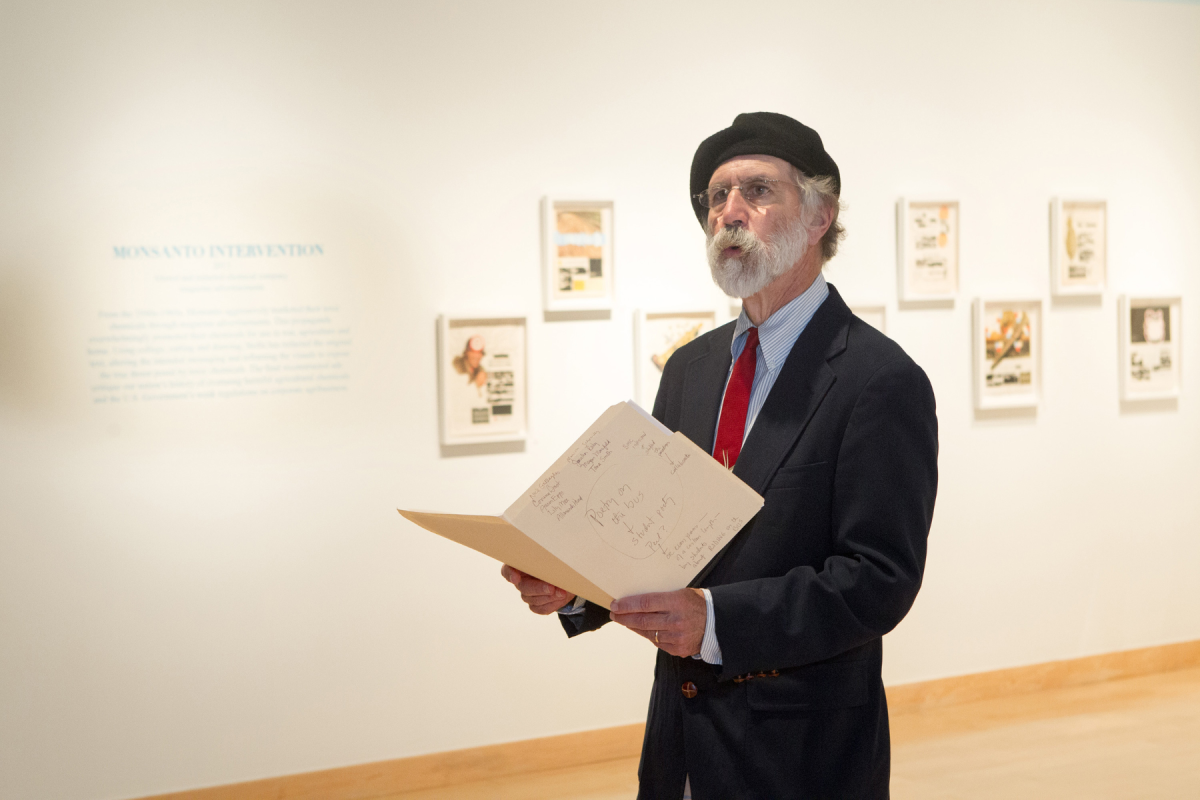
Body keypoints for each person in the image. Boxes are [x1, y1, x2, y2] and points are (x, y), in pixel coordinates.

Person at [502, 111, 938, 799]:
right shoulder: (691, 369)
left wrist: (718, 620)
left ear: (819, 216)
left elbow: (880, 578)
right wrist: (573, 587)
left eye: (758, 191)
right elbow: (654, 534)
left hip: (803, 750)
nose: (730, 212)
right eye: (715, 197)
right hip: (681, 740)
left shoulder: (879, 381)